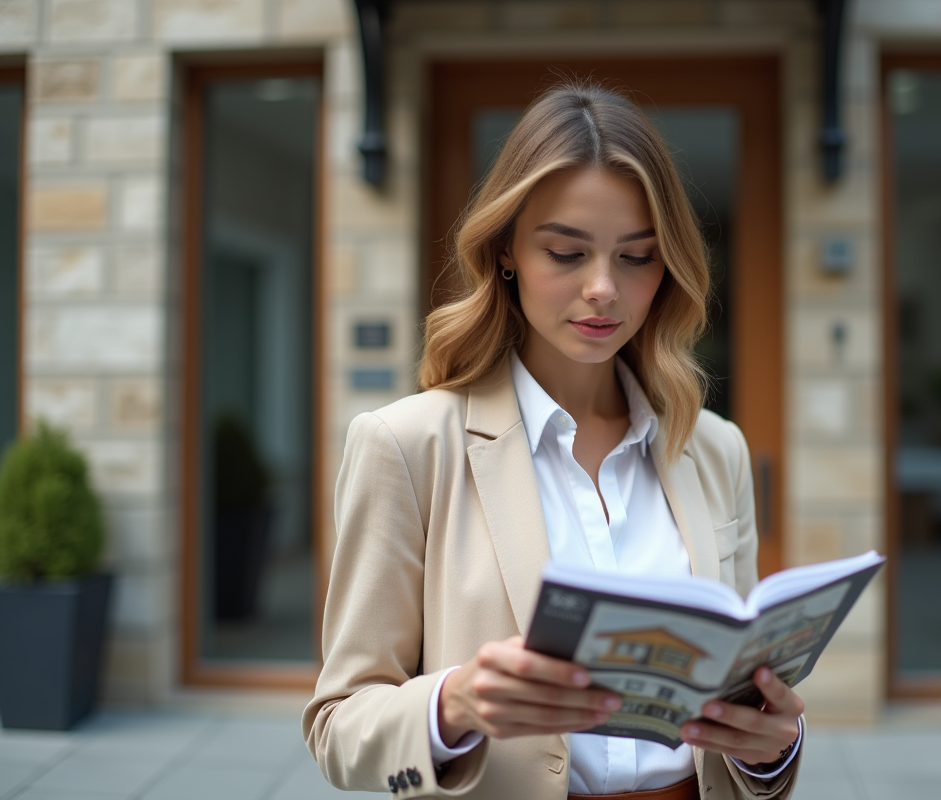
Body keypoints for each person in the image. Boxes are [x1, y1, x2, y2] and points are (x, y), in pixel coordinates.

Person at [303, 82, 804, 800]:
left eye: (637, 257)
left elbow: (746, 701)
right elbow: (338, 728)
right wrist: (455, 703)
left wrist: (770, 753)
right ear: (506, 250)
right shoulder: (408, 446)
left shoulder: (714, 448)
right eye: (567, 252)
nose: (603, 288)